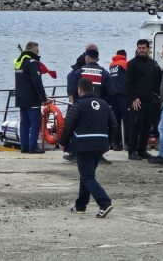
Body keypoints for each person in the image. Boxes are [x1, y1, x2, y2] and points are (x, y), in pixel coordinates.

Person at [59, 78, 117, 218]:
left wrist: (62, 143)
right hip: (100, 145)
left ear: (79, 90)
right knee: (86, 175)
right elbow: (114, 125)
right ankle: (80, 205)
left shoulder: (78, 104)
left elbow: (68, 125)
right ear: (93, 89)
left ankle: (104, 202)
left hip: (84, 145)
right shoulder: (104, 104)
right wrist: (110, 143)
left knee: (87, 176)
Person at [66, 48, 110, 163]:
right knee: (99, 129)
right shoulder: (103, 72)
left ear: (87, 58)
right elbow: (109, 90)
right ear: (97, 58)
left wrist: (74, 102)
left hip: (82, 106)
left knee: (78, 128)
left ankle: (75, 153)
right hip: (98, 106)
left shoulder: (80, 71)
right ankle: (99, 154)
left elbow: (72, 87)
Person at [126, 39, 161, 160]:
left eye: (143, 48)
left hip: (150, 101)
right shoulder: (132, 63)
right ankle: (132, 151)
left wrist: (157, 95)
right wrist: (133, 98)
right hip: (137, 101)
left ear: (148, 49)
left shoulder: (153, 63)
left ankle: (142, 150)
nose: (141, 50)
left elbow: (157, 81)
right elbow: (128, 83)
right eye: (139, 48)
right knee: (135, 127)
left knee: (147, 127)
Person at [14, 41, 48, 154]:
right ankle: (33, 147)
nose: (38, 52)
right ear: (32, 50)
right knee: (34, 123)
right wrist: (43, 98)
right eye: (37, 50)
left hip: (21, 98)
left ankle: (24, 147)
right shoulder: (32, 62)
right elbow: (37, 82)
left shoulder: (19, 62)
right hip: (32, 98)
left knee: (24, 123)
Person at [107, 49, 128, 151]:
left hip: (113, 96)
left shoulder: (112, 65)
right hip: (123, 95)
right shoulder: (125, 63)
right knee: (127, 120)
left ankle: (116, 143)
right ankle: (128, 143)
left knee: (116, 121)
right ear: (125, 56)